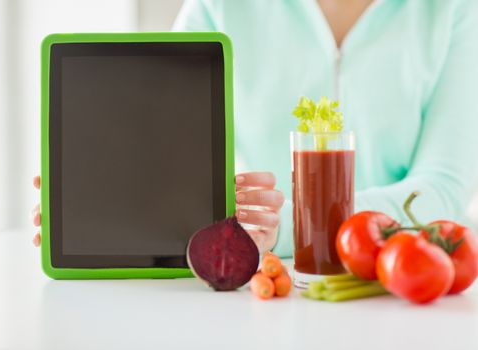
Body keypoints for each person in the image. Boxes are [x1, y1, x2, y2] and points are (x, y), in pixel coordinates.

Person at [31, 0, 478, 257]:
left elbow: (444, 186)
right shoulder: (219, 5)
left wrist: (279, 228)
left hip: (399, 284)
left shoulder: (455, 9)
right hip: (258, 288)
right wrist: (96, 197)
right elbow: (155, 148)